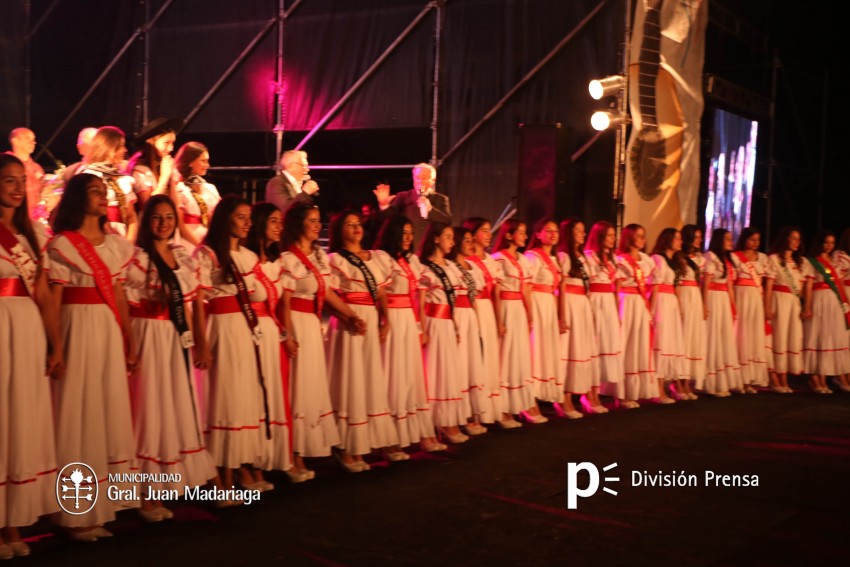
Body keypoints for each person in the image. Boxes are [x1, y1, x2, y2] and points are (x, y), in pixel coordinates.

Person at [46, 173, 138, 540]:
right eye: (94, 191)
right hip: (76, 329)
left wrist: (128, 338)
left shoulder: (115, 246)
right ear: (77, 199)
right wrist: (54, 346)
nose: (103, 196)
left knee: (103, 412)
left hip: (106, 331)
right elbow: (53, 301)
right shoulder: (63, 245)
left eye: (104, 191)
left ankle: (98, 508)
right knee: (77, 413)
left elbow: (118, 296)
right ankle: (73, 513)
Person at [125, 195, 218, 521]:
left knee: (169, 406)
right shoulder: (136, 258)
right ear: (147, 221)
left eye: (168, 217)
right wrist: (129, 344)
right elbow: (125, 301)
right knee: (148, 406)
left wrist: (202, 344)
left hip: (174, 338)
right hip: (147, 332)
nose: (163, 223)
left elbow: (194, 304)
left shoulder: (182, 256)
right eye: (157, 217)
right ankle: (141, 492)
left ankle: (159, 489)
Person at [192, 195, 272, 500]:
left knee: (238, 398)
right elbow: (198, 302)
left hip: (241, 329)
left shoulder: (249, 257)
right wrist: (201, 343)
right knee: (221, 398)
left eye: (248, 217)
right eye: (241, 217)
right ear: (225, 219)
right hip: (220, 330)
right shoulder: (207, 255)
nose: (247, 223)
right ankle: (217, 480)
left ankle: (234, 469)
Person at [0, 154, 60, 558]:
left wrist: (55, 344)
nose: (18, 187)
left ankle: (14, 524)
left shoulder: (34, 235)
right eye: (8, 180)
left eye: (22, 180)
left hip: (26, 329)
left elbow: (43, 295)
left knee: (20, 416)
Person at [279, 202, 357, 479]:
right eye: (311, 220)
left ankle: (303, 449)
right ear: (298, 223)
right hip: (297, 325)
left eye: (318, 220)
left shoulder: (319, 257)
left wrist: (350, 315)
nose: (316, 225)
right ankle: (291, 455)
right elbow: (284, 303)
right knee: (295, 388)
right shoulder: (288, 258)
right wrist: (287, 335)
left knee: (309, 387)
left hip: (312, 326)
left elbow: (327, 293)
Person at [326, 210, 399, 470]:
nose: (356, 228)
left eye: (358, 224)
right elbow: (328, 294)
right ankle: (345, 446)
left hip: (371, 317)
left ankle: (363, 444)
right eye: (349, 224)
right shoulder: (334, 259)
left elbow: (380, 292)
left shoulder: (375, 258)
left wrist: (386, 319)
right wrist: (347, 317)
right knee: (350, 379)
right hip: (349, 320)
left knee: (368, 379)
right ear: (339, 230)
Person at [373, 215, 446, 453]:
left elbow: (418, 296)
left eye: (410, 233)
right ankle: (388, 439)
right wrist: (384, 320)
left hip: (408, 319)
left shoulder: (413, 260)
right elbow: (381, 292)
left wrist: (419, 326)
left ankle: (415, 433)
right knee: (392, 374)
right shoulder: (381, 258)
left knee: (410, 375)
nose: (408, 238)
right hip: (393, 317)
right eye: (403, 233)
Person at [244, 202, 296, 480]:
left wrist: (286, 335)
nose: (279, 226)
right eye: (274, 221)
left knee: (272, 395)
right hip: (249, 332)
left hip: (272, 333)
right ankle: (248, 464)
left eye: (280, 222)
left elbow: (282, 307)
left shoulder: (279, 263)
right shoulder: (244, 260)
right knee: (253, 395)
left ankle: (266, 460)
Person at [419, 222, 472, 442]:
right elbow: (420, 302)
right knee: (433, 372)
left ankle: (447, 421)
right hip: (433, 322)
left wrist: (456, 325)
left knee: (448, 371)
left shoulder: (451, 268)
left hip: (448, 322)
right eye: (448, 237)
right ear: (435, 239)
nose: (452, 241)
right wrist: (421, 328)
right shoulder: (425, 268)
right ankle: (430, 426)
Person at [492, 219, 546, 424]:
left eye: (525, 232)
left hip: (518, 310)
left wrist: (530, 314)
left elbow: (526, 289)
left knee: (518, 355)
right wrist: (499, 319)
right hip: (506, 306)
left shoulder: (523, 260)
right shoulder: (498, 259)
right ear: (508, 235)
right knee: (505, 355)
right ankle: (503, 409)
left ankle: (517, 406)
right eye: (520, 232)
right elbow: (496, 291)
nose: (524, 236)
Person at [462, 217, 509, 425]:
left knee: (489, 358)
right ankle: (472, 413)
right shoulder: (466, 261)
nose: (489, 235)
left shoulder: (491, 261)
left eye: (490, 231)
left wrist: (499, 320)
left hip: (488, 309)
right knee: (475, 359)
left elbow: (497, 293)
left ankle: (488, 411)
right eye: (484, 230)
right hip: (474, 308)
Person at [557, 218, 604, 415]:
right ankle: (563, 399)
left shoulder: (582, 257)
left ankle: (582, 395)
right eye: (578, 230)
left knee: (582, 350)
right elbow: (560, 286)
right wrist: (562, 314)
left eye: (584, 230)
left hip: (583, 304)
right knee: (570, 350)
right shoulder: (563, 255)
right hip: (570, 303)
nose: (583, 234)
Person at [447, 225, 490, 434]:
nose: (472, 244)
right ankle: (459, 416)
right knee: (460, 365)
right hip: (458, 316)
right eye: (466, 240)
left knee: (473, 363)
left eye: (472, 240)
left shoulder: (472, 268)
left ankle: (472, 412)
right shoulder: (449, 267)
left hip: (471, 317)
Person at [765, 226, 813, 393]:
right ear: (785, 239)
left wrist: (806, 307)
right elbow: (769, 285)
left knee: (792, 336)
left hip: (793, 303)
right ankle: (777, 376)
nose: (796, 242)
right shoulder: (774, 260)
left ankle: (785, 375)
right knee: (779, 336)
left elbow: (805, 287)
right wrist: (767, 306)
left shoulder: (802, 263)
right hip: (779, 300)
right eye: (793, 238)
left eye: (798, 239)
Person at [616, 224, 659, 407]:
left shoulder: (647, 261)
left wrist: (650, 307)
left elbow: (652, 286)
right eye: (638, 235)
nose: (642, 239)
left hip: (640, 304)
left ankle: (634, 391)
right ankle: (622, 393)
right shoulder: (621, 260)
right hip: (626, 302)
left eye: (644, 235)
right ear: (629, 237)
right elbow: (616, 286)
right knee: (625, 345)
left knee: (638, 345)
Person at [524, 218, 565, 408]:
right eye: (548, 230)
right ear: (538, 234)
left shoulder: (556, 260)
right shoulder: (533, 256)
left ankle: (544, 394)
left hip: (549, 304)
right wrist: (530, 314)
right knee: (536, 349)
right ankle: (530, 399)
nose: (553, 234)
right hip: (537, 303)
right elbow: (526, 285)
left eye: (555, 230)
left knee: (546, 349)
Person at [804, 230, 850, 393]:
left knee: (831, 338)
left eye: (832, 243)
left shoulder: (836, 263)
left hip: (834, 302)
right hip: (819, 300)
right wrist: (807, 306)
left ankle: (830, 375)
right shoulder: (811, 262)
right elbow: (808, 286)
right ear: (820, 243)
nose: (829, 246)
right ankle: (815, 377)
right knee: (818, 336)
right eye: (826, 242)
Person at [585, 221, 625, 406]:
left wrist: (616, 311)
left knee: (605, 345)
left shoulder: (612, 259)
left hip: (608, 302)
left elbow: (616, 287)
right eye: (609, 235)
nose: (613, 239)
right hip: (595, 300)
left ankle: (597, 391)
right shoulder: (589, 257)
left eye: (613, 235)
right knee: (593, 346)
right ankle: (588, 393)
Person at [702, 228, 743, 396]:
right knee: (714, 338)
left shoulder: (729, 259)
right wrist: (704, 306)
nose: (730, 241)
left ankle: (724, 381)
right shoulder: (710, 257)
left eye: (730, 238)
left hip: (724, 299)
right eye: (726, 238)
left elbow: (730, 286)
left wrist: (734, 307)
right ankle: (711, 383)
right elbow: (705, 284)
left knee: (725, 337)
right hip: (713, 298)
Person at [79, 126, 139, 240]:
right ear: (108, 146)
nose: (125, 150)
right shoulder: (90, 175)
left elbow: (131, 217)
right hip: (98, 235)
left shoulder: (123, 179)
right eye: (121, 145)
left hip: (122, 237)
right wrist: (111, 238)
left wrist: (129, 243)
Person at [731, 227, 771, 392]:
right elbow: (731, 283)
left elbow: (765, 283)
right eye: (752, 239)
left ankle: (752, 377)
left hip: (755, 299)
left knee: (754, 335)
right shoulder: (735, 257)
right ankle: (741, 379)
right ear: (744, 239)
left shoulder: (762, 258)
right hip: (741, 297)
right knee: (741, 335)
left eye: (758, 240)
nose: (755, 243)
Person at [648, 228, 685, 404]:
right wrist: (652, 309)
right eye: (676, 238)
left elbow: (675, 286)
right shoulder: (658, 259)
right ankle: (657, 389)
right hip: (661, 301)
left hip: (671, 303)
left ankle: (664, 387)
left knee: (669, 342)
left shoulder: (675, 261)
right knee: (660, 343)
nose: (680, 241)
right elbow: (654, 286)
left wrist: (678, 306)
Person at [373, 163, 451, 245]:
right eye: (417, 178)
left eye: (424, 178)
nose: (420, 181)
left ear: (433, 180)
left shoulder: (441, 199)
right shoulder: (403, 197)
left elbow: (447, 221)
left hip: (430, 249)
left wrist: (430, 210)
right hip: (409, 247)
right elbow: (388, 218)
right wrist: (384, 205)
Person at [676, 225, 705, 399]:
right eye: (696, 237)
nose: (699, 240)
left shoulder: (700, 258)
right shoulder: (680, 257)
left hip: (695, 296)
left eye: (700, 237)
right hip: (685, 295)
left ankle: (687, 382)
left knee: (694, 337)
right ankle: (678, 382)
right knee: (684, 338)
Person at [126, 117, 181, 207]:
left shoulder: (165, 166)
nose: (171, 148)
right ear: (151, 142)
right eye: (166, 143)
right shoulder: (140, 171)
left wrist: (170, 178)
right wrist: (165, 177)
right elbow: (149, 206)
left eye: (172, 143)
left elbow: (176, 205)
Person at [175, 141, 221, 247]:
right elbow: (180, 225)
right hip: (188, 245)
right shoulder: (179, 189)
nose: (207, 165)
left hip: (209, 244)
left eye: (207, 161)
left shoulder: (210, 189)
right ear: (190, 162)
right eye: (203, 161)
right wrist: (199, 246)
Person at [264, 150, 319, 215]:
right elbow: (284, 210)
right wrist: (305, 193)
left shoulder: (298, 186)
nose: (307, 169)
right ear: (291, 166)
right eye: (304, 166)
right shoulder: (276, 183)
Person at [5, 128, 44, 218]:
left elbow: (43, 193)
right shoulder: (4, 164)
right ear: (15, 141)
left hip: (33, 221)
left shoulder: (37, 168)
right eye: (28, 138)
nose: (33, 142)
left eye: (34, 140)